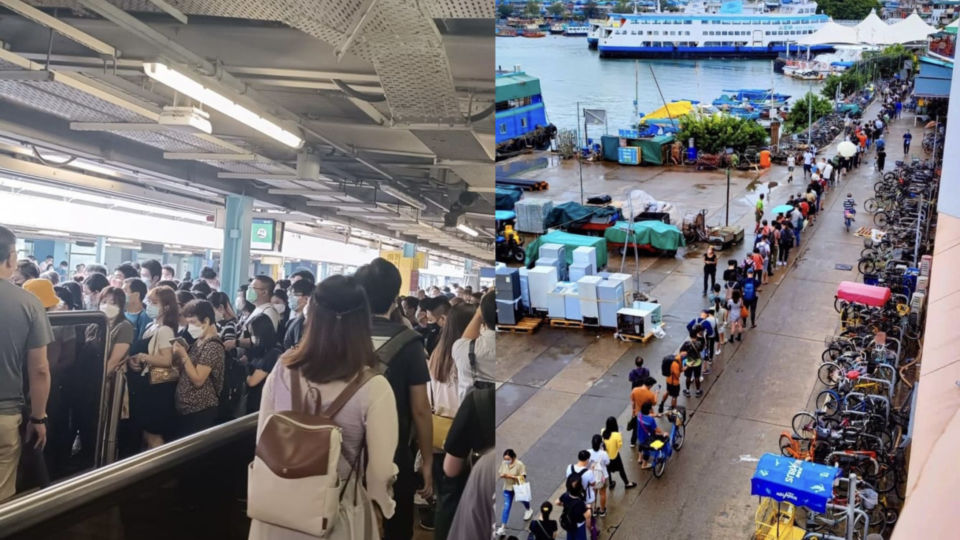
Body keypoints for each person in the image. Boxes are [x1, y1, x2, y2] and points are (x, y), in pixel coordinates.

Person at [248, 275, 400, 540]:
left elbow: (264, 436)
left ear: (312, 316)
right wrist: (380, 507)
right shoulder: (374, 387)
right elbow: (381, 470)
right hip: (337, 515)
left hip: (276, 511)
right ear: (362, 322)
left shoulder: (284, 368)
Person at [354, 258, 433, 540]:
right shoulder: (409, 342)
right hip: (393, 454)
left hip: (341, 452)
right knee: (395, 526)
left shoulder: (338, 337)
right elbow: (421, 409)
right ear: (395, 297)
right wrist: (426, 461)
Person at [0, 227, 52, 502]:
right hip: (5, 417)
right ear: (11, 259)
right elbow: (40, 369)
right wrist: (38, 416)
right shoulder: (29, 303)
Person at [127, 286, 179, 448]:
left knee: (153, 435)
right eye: (149, 301)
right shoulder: (152, 326)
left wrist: (144, 357)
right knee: (145, 434)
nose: (150, 305)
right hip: (145, 387)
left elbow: (166, 360)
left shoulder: (164, 330)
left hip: (157, 390)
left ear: (167, 306)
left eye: (155, 302)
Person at [170, 300, 224, 438]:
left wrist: (183, 355)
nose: (190, 328)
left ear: (206, 320)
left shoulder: (213, 346)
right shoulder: (199, 342)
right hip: (187, 411)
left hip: (200, 411)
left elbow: (199, 379)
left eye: (193, 322)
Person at [452, 291, 496, 400]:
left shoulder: (462, 348)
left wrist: (479, 314)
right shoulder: (517, 352)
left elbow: (466, 340)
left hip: (472, 413)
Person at [243, 314, 282, 414]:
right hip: (253, 401)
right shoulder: (262, 350)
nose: (252, 338)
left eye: (254, 334)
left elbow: (252, 381)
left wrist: (243, 371)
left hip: (261, 405)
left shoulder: (273, 353)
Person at [497, 449, 532, 535]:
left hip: (518, 487)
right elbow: (501, 472)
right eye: (505, 459)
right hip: (508, 487)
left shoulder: (519, 464)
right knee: (506, 506)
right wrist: (502, 475)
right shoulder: (504, 463)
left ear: (513, 458)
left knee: (523, 500)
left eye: (508, 459)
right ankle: (503, 527)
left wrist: (510, 476)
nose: (506, 461)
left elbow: (523, 477)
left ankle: (528, 509)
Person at [601, 416, 636, 490]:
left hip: (606, 456)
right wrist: (620, 435)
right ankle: (627, 483)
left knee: (608, 470)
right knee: (621, 469)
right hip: (615, 456)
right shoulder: (617, 435)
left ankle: (610, 483)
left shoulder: (603, 431)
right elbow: (619, 446)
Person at [556, 469, 591, 540]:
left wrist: (565, 505)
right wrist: (589, 508)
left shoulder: (565, 495)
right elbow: (587, 515)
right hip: (579, 526)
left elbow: (557, 502)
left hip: (568, 522)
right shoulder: (580, 503)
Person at [283, 278, 315, 350]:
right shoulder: (291, 322)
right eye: (289, 296)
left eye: (293, 295)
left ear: (307, 298)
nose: (289, 299)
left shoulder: (308, 323)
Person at [635, 402, 665, 470]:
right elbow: (657, 430)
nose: (652, 409)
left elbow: (648, 415)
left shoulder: (639, 415)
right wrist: (664, 433)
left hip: (640, 435)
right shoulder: (651, 420)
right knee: (646, 452)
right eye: (651, 408)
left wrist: (656, 415)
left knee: (641, 445)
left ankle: (640, 458)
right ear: (649, 410)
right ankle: (644, 464)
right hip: (647, 438)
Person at [588, 434, 611, 518]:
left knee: (593, 493)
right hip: (602, 476)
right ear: (600, 444)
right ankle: (602, 510)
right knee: (602, 493)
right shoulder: (603, 453)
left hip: (592, 477)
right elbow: (607, 463)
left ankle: (593, 510)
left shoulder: (588, 452)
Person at [630, 377, 658, 446]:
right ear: (650, 385)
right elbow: (654, 403)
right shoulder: (650, 394)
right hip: (647, 414)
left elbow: (633, 402)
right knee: (648, 428)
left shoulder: (634, 390)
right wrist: (656, 394)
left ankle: (632, 442)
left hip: (637, 413)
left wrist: (633, 411)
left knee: (636, 428)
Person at [122, 277, 151, 342]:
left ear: (136, 295)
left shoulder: (144, 316)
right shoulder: (122, 313)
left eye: (125, 291)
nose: (121, 294)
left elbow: (141, 342)